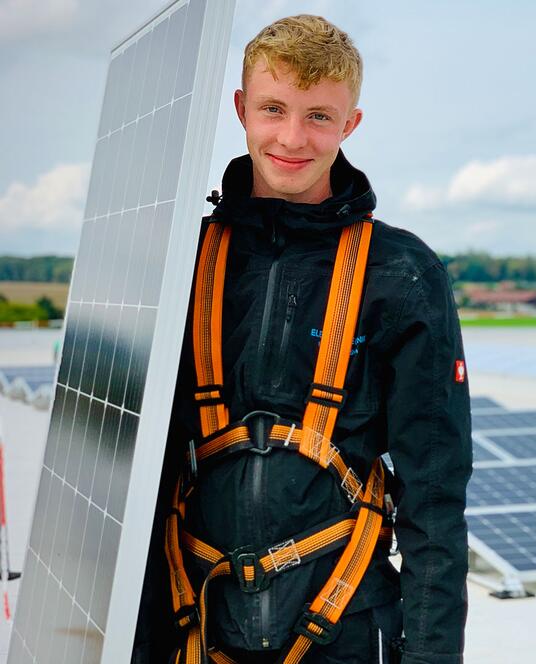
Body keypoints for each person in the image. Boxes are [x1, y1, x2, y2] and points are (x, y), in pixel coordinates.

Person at [133, 15, 473, 664]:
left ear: (351, 125)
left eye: (319, 116)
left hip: (347, 636)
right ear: (240, 109)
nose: (293, 137)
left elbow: (436, 493)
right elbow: (137, 476)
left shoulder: (402, 275)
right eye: (273, 109)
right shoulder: (183, 262)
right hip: (201, 628)